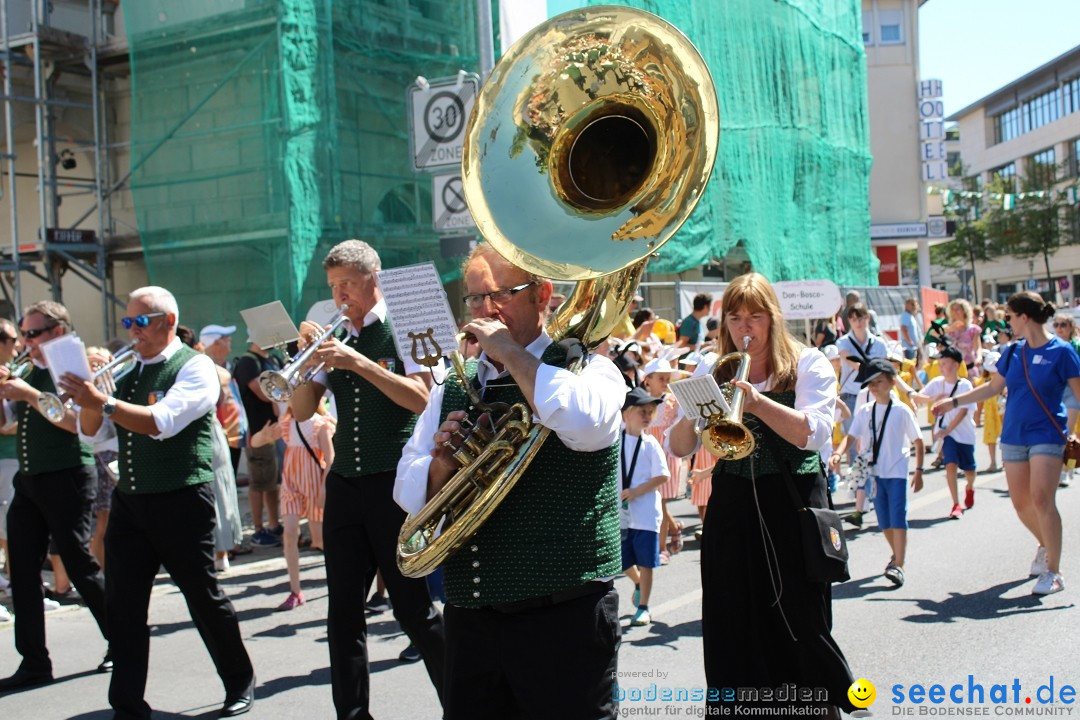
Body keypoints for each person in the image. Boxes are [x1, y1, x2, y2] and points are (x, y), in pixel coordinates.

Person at [395, 243, 624, 720]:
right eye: (476, 299)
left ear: (543, 294)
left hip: (564, 618)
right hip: (473, 620)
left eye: (501, 294)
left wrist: (509, 353)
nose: (485, 310)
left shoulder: (591, 370)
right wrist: (441, 465)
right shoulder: (452, 384)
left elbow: (583, 423)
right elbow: (405, 487)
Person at [61, 286, 255, 717]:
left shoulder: (196, 367)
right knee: (123, 604)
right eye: (128, 322)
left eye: (142, 321)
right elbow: (92, 435)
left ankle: (238, 678)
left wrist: (102, 401)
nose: (133, 331)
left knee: (202, 597)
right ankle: (127, 702)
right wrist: (88, 398)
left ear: (169, 322)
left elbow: (162, 422)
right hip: (133, 501)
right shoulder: (125, 374)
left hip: (183, 497)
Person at [668, 273, 854, 715]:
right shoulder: (710, 365)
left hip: (792, 501)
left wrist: (757, 403)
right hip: (732, 500)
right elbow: (680, 448)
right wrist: (688, 413)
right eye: (735, 318)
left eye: (755, 317)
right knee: (731, 620)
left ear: (773, 317)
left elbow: (814, 434)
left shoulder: (809, 363)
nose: (745, 328)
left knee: (798, 622)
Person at [291, 239, 445, 719]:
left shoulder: (407, 323)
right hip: (345, 483)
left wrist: (358, 362)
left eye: (347, 285)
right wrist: (305, 366)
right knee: (342, 613)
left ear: (372, 279)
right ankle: (352, 714)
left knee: (412, 608)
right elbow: (299, 411)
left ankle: (463, 703)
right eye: (334, 287)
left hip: (392, 483)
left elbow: (425, 398)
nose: (340, 297)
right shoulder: (333, 339)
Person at [931, 291, 1080, 596]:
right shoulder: (1013, 352)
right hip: (1013, 435)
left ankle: (1054, 570)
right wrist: (953, 402)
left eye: (1010, 316)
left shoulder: (1062, 352)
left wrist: (1076, 431)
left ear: (1024, 317)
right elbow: (993, 387)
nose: (1007, 321)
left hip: (1047, 435)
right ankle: (1045, 545)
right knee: (1021, 503)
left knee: (1041, 499)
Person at [0, 302, 111, 691]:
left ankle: (121, 637)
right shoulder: (29, 368)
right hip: (30, 480)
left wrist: (30, 395)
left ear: (58, 332)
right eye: (24, 334)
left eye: (33, 334)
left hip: (67, 475)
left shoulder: (72, 368)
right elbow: (5, 423)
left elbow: (78, 426)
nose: (26, 342)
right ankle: (34, 661)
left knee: (79, 563)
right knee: (22, 570)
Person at [831, 358, 924, 586]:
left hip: (897, 471)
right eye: (870, 384)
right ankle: (896, 555)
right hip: (875, 472)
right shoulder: (865, 411)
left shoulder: (902, 411)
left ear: (893, 382)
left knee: (898, 517)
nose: (874, 388)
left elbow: (919, 442)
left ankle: (899, 565)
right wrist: (838, 454)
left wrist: (919, 471)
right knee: (883, 520)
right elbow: (851, 437)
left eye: (879, 382)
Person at [251, 402, 334, 610]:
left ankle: (346, 574)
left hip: (314, 483)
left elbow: (330, 458)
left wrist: (324, 487)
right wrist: (263, 436)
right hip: (291, 483)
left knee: (319, 540)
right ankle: (295, 591)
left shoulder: (320, 424)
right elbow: (255, 442)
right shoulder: (287, 424)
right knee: (289, 534)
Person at [619, 386, 669, 628]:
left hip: (646, 513)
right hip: (621, 514)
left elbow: (663, 476)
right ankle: (638, 583)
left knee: (646, 562)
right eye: (642, 411)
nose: (648, 416)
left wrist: (636, 491)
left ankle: (643, 606)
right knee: (621, 560)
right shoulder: (614, 441)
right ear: (627, 414)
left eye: (651, 411)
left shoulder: (650, 444)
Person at [912, 346, 976, 518]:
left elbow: (963, 412)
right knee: (950, 465)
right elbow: (918, 397)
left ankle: (969, 487)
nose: (941, 367)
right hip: (947, 436)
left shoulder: (965, 385)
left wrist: (948, 428)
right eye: (940, 363)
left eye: (945, 363)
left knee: (970, 471)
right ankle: (956, 504)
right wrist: (934, 399)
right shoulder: (937, 383)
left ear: (956, 365)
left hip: (965, 434)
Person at [233, 334, 284, 546]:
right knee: (259, 483)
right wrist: (282, 391)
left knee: (272, 483)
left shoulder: (273, 359)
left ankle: (273, 525)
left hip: (275, 430)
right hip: (258, 433)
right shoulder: (247, 362)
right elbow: (265, 393)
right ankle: (258, 529)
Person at [836, 302, 887, 463]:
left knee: (876, 434)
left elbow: (884, 369)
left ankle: (876, 472)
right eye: (853, 319)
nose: (857, 323)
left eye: (860, 318)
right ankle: (856, 478)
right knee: (853, 437)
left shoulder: (879, 344)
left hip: (874, 394)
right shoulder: (843, 342)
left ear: (867, 318)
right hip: (851, 396)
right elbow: (849, 359)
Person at [0, 319, 21, 592]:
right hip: (6, 459)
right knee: (10, 528)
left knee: (13, 529)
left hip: (13, 459)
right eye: (15, 338)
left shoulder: (14, 370)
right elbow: (4, 426)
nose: (18, 346)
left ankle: (19, 584)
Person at [1053, 313, 1080, 487]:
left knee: (1066, 432)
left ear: (1071, 328)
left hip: (1072, 393)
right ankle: (1062, 467)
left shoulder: (1076, 346)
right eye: (1056, 325)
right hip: (1056, 393)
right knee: (1054, 433)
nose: (1060, 328)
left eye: (1063, 325)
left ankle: (1064, 468)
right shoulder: (1052, 346)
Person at [945, 299, 983, 373]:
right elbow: (933, 333)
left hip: (969, 367)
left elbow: (977, 347)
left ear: (964, 311)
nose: (954, 312)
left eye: (957, 309)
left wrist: (979, 357)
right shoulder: (947, 328)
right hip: (952, 369)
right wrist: (950, 328)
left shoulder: (973, 329)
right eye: (952, 309)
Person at [899, 297, 921, 362]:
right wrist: (909, 341)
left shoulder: (910, 316)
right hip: (908, 348)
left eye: (915, 304)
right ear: (906, 305)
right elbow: (903, 329)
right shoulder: (905, 315)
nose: (914, 306)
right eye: (912, 304)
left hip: (912, 348)